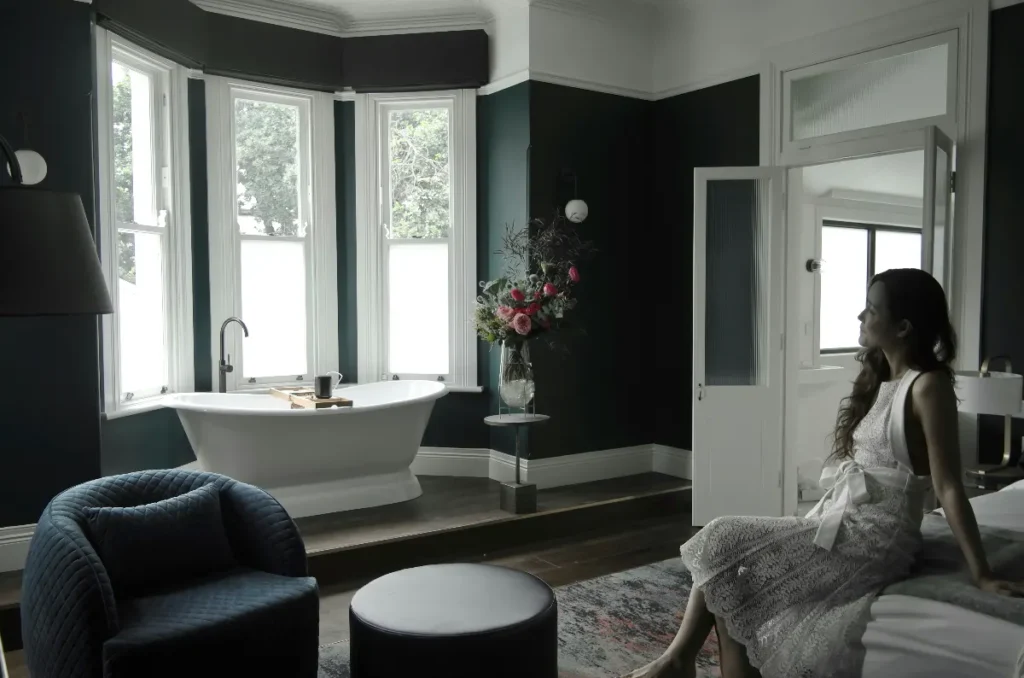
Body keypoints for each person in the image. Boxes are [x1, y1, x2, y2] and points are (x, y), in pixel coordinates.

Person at [625, 268, 1024, 678]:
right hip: (847, 521)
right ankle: (680, 660)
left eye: (871, 310)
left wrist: (982, 573)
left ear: (903, 327)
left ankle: (676, 660)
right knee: (732, 574)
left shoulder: (927, 386)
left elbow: (949, 486)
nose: (860, 317)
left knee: (722, 535)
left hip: (876, 538)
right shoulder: (883, 377)